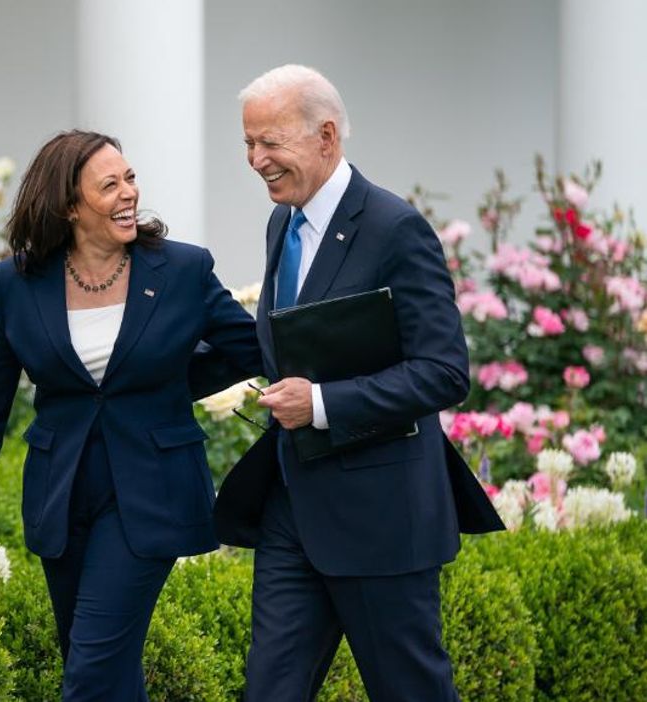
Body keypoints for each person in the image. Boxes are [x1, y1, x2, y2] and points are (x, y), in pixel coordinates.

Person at [192, 65, 504, 701]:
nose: (255, 159)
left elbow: (444, 371)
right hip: (291, 512)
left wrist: (324, 404)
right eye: (248, 143)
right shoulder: (283, 222)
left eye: (269, 142)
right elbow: (289, 342)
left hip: (382, 517)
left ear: (326, 136)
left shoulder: (395, 228)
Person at [0, 129, 262, 701]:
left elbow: (249, 348)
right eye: (109, 185)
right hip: (62, 495)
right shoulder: (16, 282)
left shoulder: (181, 269)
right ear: (69, 205)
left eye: (130, 178)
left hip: (151, 492)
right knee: (103, 668)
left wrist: (167, 386)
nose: (129, 193)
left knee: (90, 672)